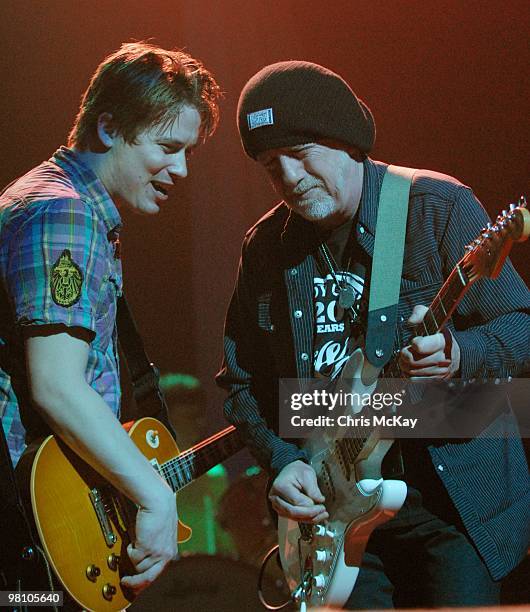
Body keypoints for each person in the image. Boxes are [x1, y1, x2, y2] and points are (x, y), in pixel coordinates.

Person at [216, 61, 530, 608]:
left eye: (301, 152)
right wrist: (282, 461)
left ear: (347, 141)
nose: (289, 178)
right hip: (338, 522)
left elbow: (522, 326)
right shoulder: (265, 248)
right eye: (271, 165)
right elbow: (243, 382)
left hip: (455, 508)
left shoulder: (438, 207)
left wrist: (461, 355)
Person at [0, 41, 221, 596]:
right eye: (168, 147)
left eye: (189, 152)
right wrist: (152, 493)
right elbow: (55, 386)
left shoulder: (57, 203)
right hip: (25, 525)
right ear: (108, 128)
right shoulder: (64, 211)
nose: (181, 169)